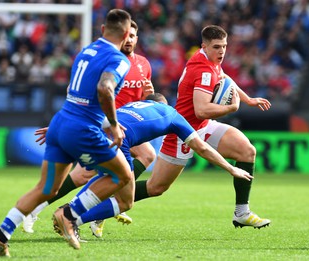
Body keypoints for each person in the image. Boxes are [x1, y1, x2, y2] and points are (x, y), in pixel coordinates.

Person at [0, 9, 132, 257]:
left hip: (61, 121)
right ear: (127, 34)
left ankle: (0, 236)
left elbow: (73, 90)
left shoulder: (86, 51)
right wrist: (114, 125)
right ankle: (70, 214)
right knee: (122, 175)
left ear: (103, 29)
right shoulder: (119, 60)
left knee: (47, 188)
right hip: (82, 129)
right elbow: (105, 88)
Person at [50, 93, 253, 242]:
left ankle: (68, 214)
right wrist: (230, 168)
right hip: (116, 144)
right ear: (163, 104)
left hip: (86, 134)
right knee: (125, 202)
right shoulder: (172, 115)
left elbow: (97, 116)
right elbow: (201, 148)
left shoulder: (132, 106)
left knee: (104, 180)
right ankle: (70, 217)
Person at [131, 25, 272, 229]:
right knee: (156, 187)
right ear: (204, 46)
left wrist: (247, 99)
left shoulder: (210, 59)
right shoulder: (203, 69)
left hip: (203, 126)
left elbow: (225, 78)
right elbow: (201, 110)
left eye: (224, 46)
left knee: (246, 151)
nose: (221, 51)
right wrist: (232, 107)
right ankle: (106, 199)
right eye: (216, 47)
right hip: (182, 130)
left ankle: (242, 212)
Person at [22, 20, 155, 233]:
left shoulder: (143, 65)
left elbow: (139, 99)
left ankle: (52, 208)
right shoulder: (107, 61)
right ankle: (51, 208)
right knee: (142, 157)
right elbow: (79, 94)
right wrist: (64, 121)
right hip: (102, 124)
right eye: (126, 35)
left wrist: (148, 95)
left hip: (126, 126)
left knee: (86, 175)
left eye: (132, 36)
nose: (128, 39)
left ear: (136, 39)